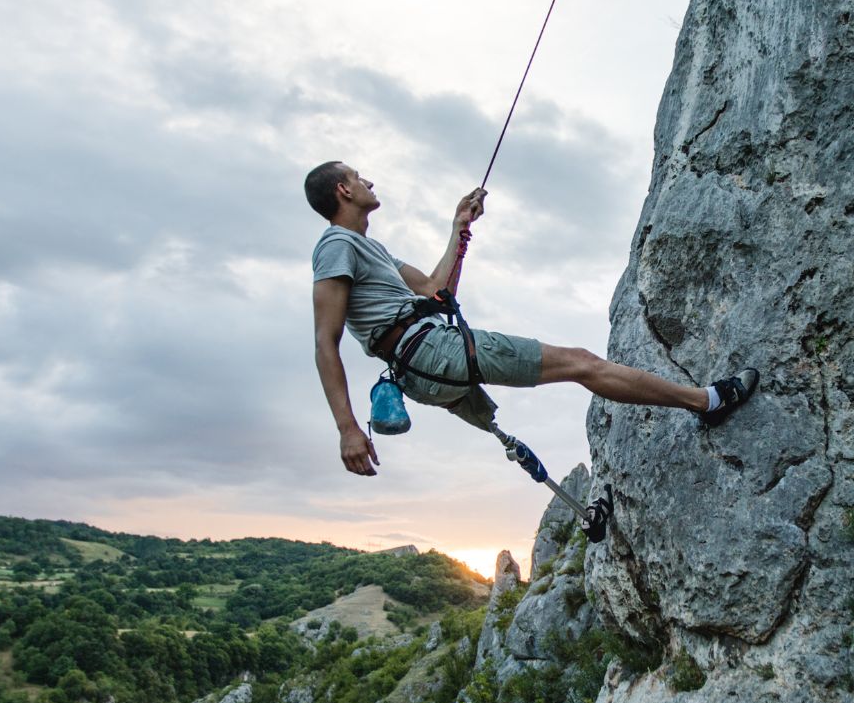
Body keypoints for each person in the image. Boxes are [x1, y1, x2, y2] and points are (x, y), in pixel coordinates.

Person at [306, 161, 759, 476]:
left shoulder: (375, 249)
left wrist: (459, 227)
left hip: (423, 365)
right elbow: (325, 342)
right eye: (357, 177)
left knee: (580, 365)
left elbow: (435, 290)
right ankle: (707, 401)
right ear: (344, 190)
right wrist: (347, 429)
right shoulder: (336, 245)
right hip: (432, 352)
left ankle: (701, 401)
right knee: (582, 363)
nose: (368, 180)